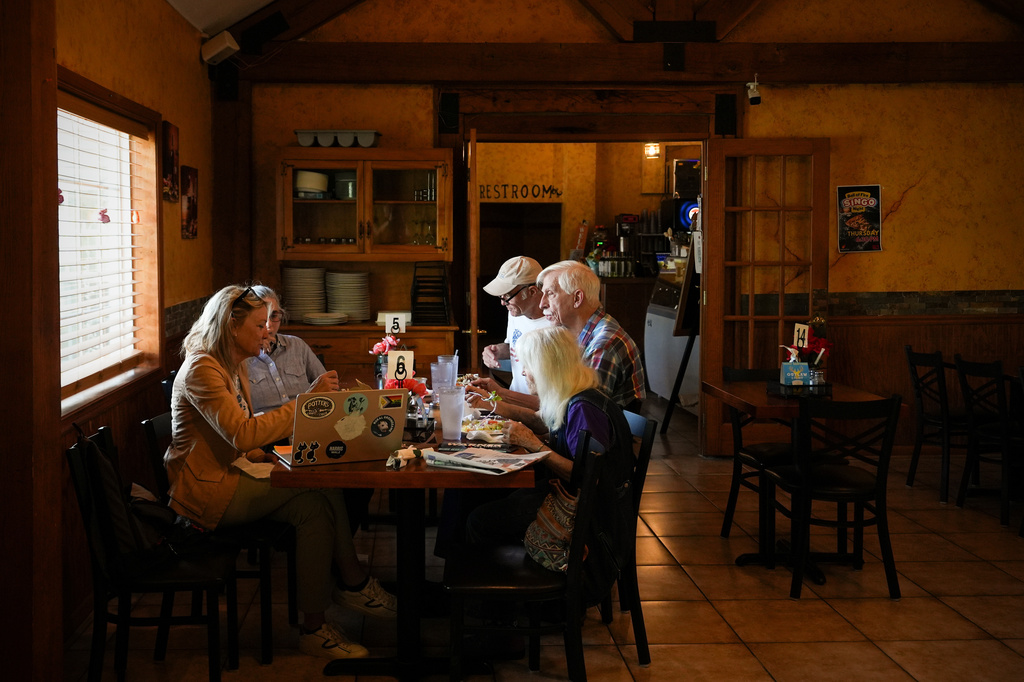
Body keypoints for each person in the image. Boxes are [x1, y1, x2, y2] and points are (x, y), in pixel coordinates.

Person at [164, 284, 396, 661]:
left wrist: (262, 456)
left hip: (232, 472)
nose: (267, 332)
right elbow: (240, 432)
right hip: (207, 493)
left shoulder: (228, 363)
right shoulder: (203, 369)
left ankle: (317, 625)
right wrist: (307, 401)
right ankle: (350, 588)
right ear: (230, 326)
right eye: (258, 325)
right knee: (317, 489)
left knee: (317, 503)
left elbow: (235, 432)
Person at [463, 326, 634, 600]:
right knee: (479, 500)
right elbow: (543, 420)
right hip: (571, 501)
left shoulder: (584, 410)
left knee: (478, 520)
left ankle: (497, 609)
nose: (523, 374)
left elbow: (591, 480)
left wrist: (534, 445)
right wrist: (496, 406)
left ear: (545, 368)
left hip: (587, 520)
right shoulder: (575, 393)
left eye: (527, 367)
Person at [537, 259, 646, 411]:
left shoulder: (603, 346)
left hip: (604, 432)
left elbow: (584, 413)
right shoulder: (578, 331)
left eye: (550, 294)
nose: (542, 304)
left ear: (577, 299)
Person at [470, 256, 550, 410]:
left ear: (532, 291)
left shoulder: (555, 325)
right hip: (513, 402)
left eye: (507, 296)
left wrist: (501, 393)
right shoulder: (516, 312)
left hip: (538, 413)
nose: (502, 302)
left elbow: (553, 404)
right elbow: (515, 345)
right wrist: (498, 351)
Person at [246, 285, 327, 414]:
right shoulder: (241, 355)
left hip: (305, 420)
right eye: (261, 318)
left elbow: (326, 387)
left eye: (274, 315)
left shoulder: (296, 345)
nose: (268, 325)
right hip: (266, 428)